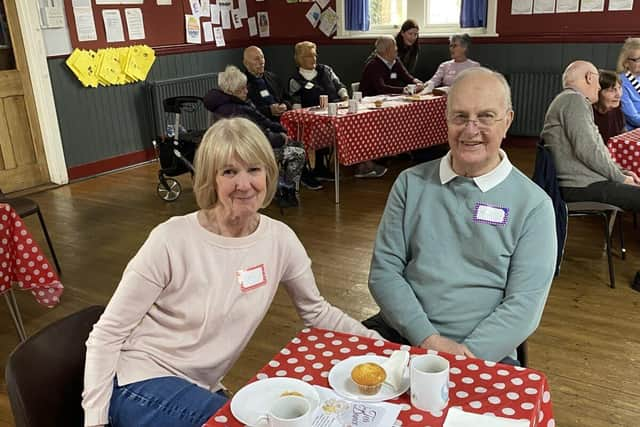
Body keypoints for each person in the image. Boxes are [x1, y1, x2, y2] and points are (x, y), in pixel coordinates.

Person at [81, 117, 383, 427]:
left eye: (254, 169)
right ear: (210, 179)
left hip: (201, 386)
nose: (244, 184)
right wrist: (95, 420)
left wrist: (381, 346)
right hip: (140, 382)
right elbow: (107, 333)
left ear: (268, 172)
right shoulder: (170, 239)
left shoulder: (279, 239)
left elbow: (318, 312)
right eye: (229, 172)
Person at [365, 67, 556, 364]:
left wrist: (462, 357)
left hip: (481, 351)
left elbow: (525, 305)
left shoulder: (534, 205)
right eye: (460, 116)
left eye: (486, 116)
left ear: (508, 121)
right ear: (446, 118)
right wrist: (427, 339)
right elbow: (383, 272)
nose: (471, 129)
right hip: (402, 332)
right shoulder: (410, 183)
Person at [204, 65, 319, 206]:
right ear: (231, 91)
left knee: (296, 143)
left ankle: (279, 184)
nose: (246, 91)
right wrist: (281, 137)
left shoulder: (229, 104)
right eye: (242, 89)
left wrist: (281, 129)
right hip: (248, 154)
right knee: (298, 152)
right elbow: (259, 139)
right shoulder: (236, 111)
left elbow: (261, 120)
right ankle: (287, 189)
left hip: (242, 149)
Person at [542, 60, 640, 208]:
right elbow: (588, 150)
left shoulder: (570, 100)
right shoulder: (574, 100)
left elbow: (597, 149)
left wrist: (622, 171)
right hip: (580, 185)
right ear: (589, 77)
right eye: (599, 83)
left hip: (586, 181)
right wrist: (622, 178)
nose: (599, 87)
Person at [289, 41, 386, 179]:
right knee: (340, 129)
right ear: (299, 59)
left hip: (337, 111)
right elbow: (296, 105)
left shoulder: (326, 70)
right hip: (316, 120)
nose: (314, 59)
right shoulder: (296, 80)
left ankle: (360, 163)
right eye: (309, 56)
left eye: (315, 55)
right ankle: (359, 164)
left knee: (356, 123)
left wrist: (345, 97)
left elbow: (339, 85)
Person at [242, 45, 291, 122]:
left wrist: (285, 105)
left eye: (262, 57)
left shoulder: (273, 77)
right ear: (246, 63)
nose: (261, 62)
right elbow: (246, 110)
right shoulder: (243, 84)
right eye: (256, 59)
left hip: (284, 119)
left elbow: (288, 98)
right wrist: (269, 110)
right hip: (261, 124)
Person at [593, 70, 625, 142]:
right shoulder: (588, 113)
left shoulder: (617, 107)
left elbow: (622, 132)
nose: (618, 95)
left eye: (619, 88)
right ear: (597, 92)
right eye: (611, 90)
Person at [617, 37, 640, 131]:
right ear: (626, 63)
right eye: (637, 60)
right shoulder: (621, 83)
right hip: (633, 132)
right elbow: (633, 118)